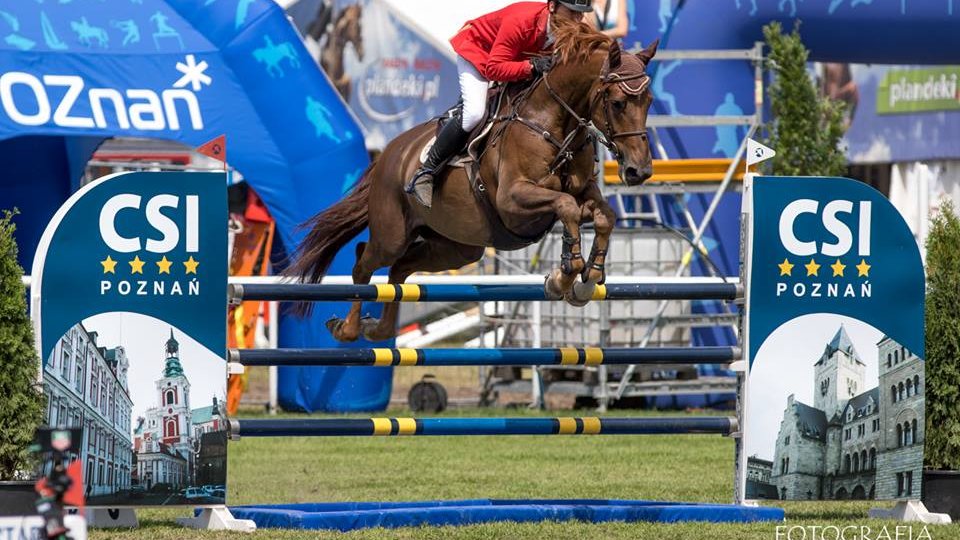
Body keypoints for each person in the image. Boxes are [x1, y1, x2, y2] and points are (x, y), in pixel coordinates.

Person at [405, 0, 594, 208]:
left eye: (581, 14)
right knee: (474, 113)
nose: (577, 21)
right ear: (552, 6)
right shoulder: (521, 21)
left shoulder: (572, 28)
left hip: (516, 58)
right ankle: (426, 171)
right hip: (480, 54)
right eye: (572, 12)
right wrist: (531, 66)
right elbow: (494, 69)